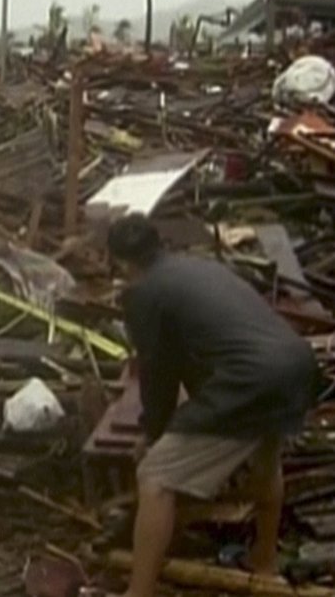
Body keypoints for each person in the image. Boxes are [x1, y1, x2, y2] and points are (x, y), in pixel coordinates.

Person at [107, 214, 319, 597]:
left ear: (122, 264)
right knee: (265, 462)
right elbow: (202, 349)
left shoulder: (145, 293)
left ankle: (137, 593)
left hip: (250, 378)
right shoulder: (198, 267)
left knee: (155, 478)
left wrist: (154, 436)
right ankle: (264, 560)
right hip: (296, 364)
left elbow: (158, 373)